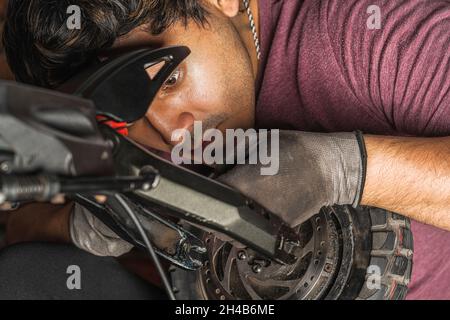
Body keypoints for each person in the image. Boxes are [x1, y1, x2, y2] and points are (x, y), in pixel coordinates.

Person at [1, 0, 450, 299]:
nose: (173, 136)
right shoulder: (150, 132)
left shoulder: (363, 31)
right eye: (125, 116)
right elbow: (24, 226)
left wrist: (345, 169)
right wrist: (95, 225)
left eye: (170, 80)